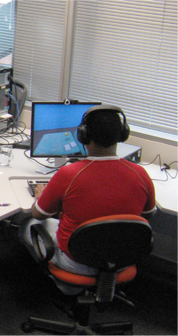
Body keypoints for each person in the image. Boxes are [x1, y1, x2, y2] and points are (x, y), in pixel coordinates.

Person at [19, 105, 157, 294]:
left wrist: (41, 196)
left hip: (77, 262)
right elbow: (148, 214)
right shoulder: (140, 173)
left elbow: (39, 214)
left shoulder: (69, 174)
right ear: (122, 135)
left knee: (27, 223)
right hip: (122, 260)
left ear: (83, 135)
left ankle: (67, 287)